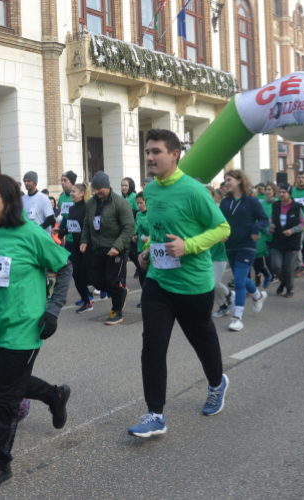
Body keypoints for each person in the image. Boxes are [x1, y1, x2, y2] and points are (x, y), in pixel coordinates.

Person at [0, 174, 72, 489]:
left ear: (10, 201)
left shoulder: (30, 234)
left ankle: (0, 463)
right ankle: (55, 394)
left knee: (4, 398)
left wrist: (53, 310)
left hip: (26, 327)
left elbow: (64, 267)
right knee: (12, 383)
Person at [128, 129, 230, 439]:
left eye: (156, 151)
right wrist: (147, 252)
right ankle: (155, 414)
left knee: (203, 343)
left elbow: (222, 228)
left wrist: (190, 246)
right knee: (153, 347)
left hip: (193, 285)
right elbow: (160, 231)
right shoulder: (152, 191)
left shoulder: (194, 191)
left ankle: (217, 384)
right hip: (159, 281)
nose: (149, 157)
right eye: (147, 151)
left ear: (174, 155)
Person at [79, 171, 135, 325]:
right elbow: (86, 223)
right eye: (94, 189)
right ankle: (121, 292)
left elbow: (129, 228)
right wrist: (84, 240)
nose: (96, 192)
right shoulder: (91, 203)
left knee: (111, 281)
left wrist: (117, 247)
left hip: (116, 249)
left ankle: (117, 311)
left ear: (107, 186)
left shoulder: (120, 203)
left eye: (99, 189)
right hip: (98, 248)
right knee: (95, 280)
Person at [219, 170, 269, 332]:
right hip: (230, 245)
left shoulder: (251, 201)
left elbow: (264, 219)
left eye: (229, 179)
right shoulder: (225, 202)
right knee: (241, 279)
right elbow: (220, 221)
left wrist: (256, 228)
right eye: (225, 180)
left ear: (240, 180)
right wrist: (220, 234)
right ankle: (258, 296)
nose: (226, 183)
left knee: (239, 281)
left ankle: (237, 318)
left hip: (247, 245)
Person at [54, 182, 94, 313]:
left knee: (89, 276)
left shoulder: (88, 208)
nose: (71, 194)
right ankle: (87, 302)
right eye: (71, 192)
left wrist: (87, 241)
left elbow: (90, 228)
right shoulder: (71, 209)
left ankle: (117, 291)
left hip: (87, 246)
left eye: (73, 192)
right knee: (76, 275)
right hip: (76, 246)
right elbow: (71, 227)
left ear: (82, 193)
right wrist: (59, 232)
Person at [269, 184, 304, 298]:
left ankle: (290, 288)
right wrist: (270, 226)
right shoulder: (275, 205)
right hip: (278, 240)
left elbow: (303, 223)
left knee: (288, 267)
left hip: (292, 241)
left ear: (289, 193)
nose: (281, 194)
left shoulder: (297, 206)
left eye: (284, 192)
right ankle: (283, 282)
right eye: (280, 192)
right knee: (275, 266)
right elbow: (272, 219)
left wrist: (292, 230)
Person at [205, 186, 234, 318]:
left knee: (213, 282)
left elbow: (227, 229)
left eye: (209, 194)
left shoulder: (219, 210)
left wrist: (222, 235)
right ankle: (223, 306)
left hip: (219, 253)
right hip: (206, 253)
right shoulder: (199, 211)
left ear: (214, 196)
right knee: (209, 284)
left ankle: (230, 295)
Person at [254, 182, 276, 288]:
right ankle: (266, 275)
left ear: (274, 191)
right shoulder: (261, 204)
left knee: (275, 260)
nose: (267, 192)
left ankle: (278, 275)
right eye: (266, 190)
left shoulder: (277, 202)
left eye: (269, 190)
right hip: (265, 233)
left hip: (276, 235)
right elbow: (259, 218)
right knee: (265, 259)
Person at [132, 191, 150, 308]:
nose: (139, 205)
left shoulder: (153, 213)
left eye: (141, 203)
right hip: (140, 247)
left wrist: (150, 237)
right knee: (142, 274)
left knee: (151, 276)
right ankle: (145, 298)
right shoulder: (138, 214)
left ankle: (151, 298)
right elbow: (136, 227)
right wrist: (135, 235)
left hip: (151, 247)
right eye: (137, 203)